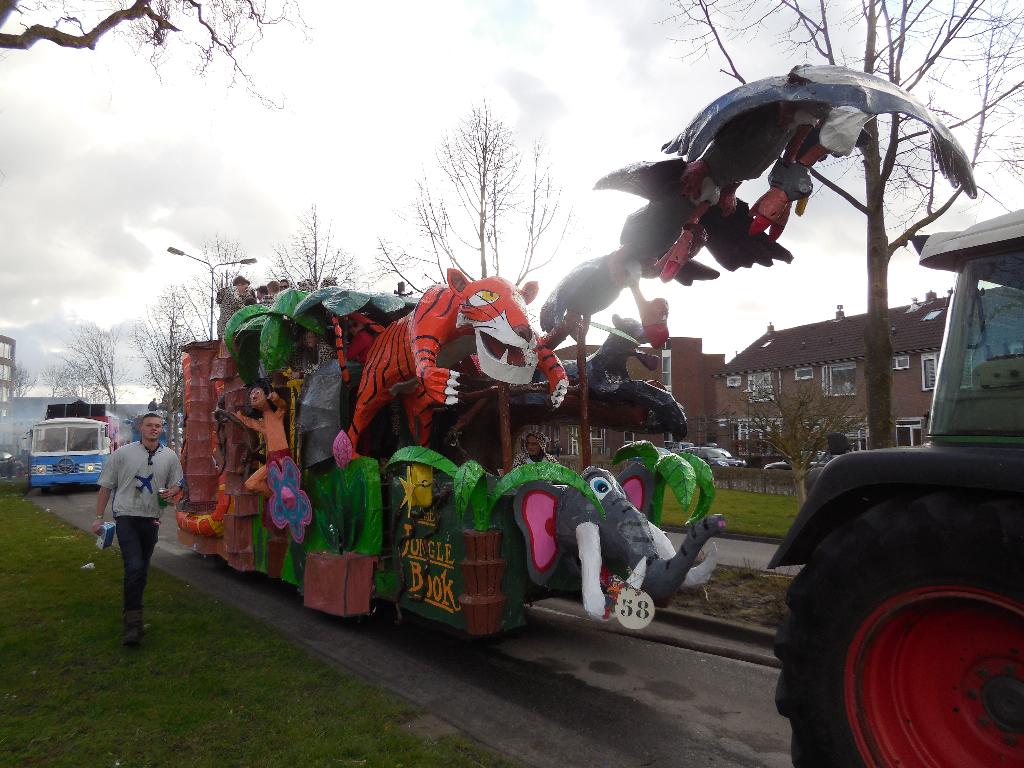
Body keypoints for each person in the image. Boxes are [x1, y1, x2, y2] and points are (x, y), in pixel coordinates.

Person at [92, 412, 183, 646]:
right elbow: (105, 487)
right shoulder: (122, 454)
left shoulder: (170, 456)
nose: (154, 429)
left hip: (152, 518)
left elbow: (176, 485)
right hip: (126, 516)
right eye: (150, 425)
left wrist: (172, 492)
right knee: (133, 566)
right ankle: (132, 624)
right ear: (141, 428)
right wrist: (98, 518)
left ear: (162, 429)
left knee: (141, 570)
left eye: (158, 426)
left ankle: (133, 611)